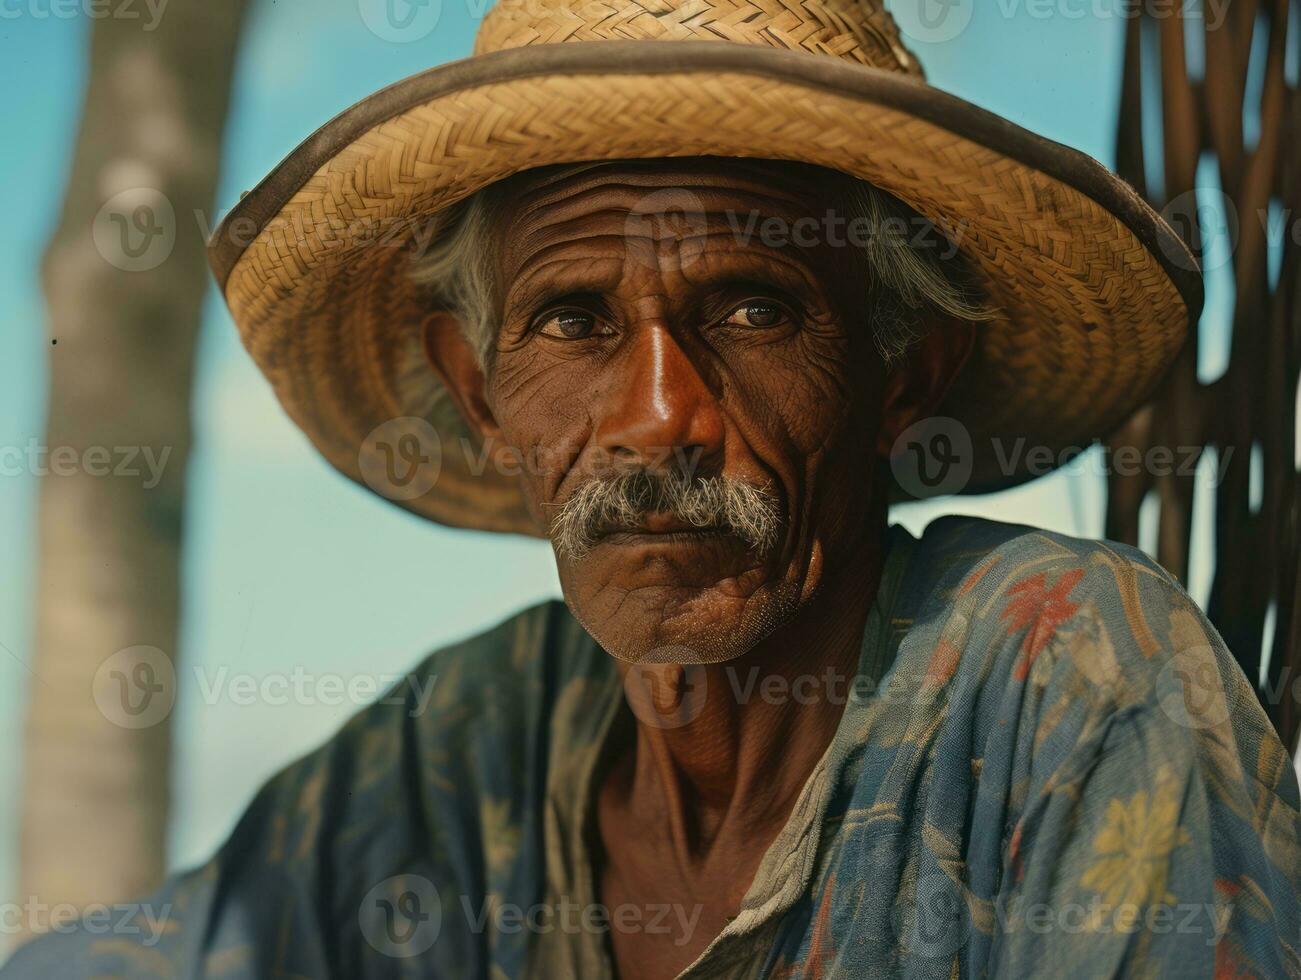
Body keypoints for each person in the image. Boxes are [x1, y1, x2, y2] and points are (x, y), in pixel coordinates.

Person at [8, 0, 1297, 976]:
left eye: (752, 307)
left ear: (903, 368)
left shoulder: (1062, 676)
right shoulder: (471, 746)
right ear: (479, 389)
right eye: (572, 321)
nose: (660, 419)